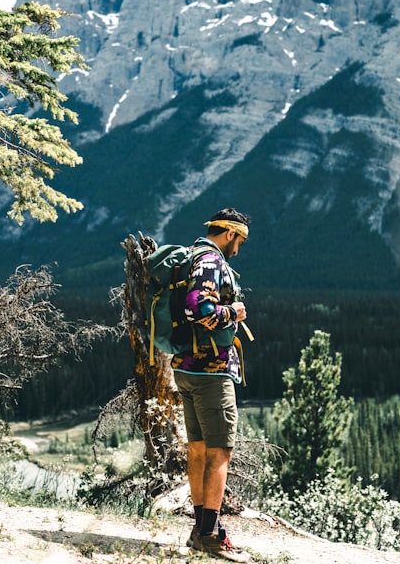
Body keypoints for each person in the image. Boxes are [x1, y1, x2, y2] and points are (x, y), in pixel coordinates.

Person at [171, 208, 251, 562]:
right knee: (219, 451)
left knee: (199, 449)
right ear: (231, 234)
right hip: (210, 371)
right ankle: (208, 535)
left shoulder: (191, 256)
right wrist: (234, 313)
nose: (240, 247)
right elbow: (196, 307)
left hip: (188, 368)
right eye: (241, 239)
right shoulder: (210, 261)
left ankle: (202, 529)